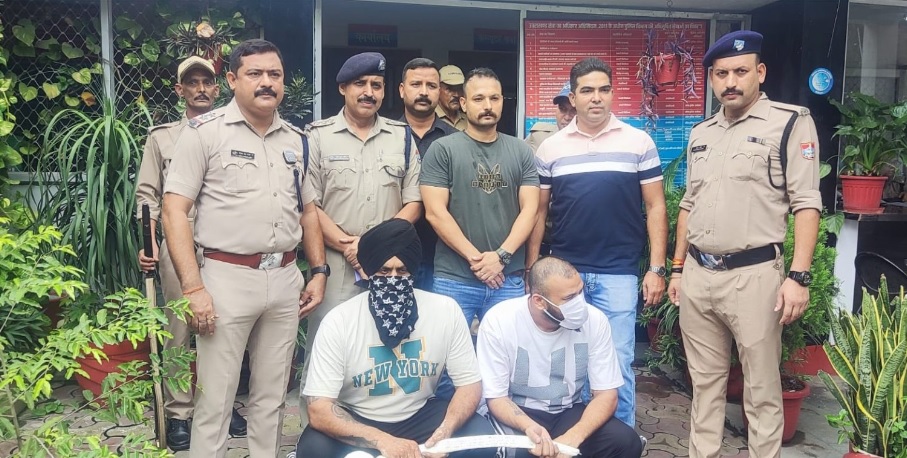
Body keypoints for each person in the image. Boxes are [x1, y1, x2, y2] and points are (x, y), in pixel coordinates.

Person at [161, 39, 327, 458]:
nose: (266, 82)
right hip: (225, 280)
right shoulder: (205, 133)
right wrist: (193, 288)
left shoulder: (298, 140)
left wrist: (318, 271)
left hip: (285, 280)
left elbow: (309, 211)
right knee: (215, 401)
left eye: (275, 74)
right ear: (233, 80)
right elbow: (174, 210)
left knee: (272, 399)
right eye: (255, 74)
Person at [667, 30, 821, 458]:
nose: (730, 82)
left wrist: (799, 277)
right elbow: (689, 204)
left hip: (754, 278)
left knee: (761, 390)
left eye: (740, 71)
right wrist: (677, 269)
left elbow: (807, 203)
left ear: (760, 72)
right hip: (698, 275)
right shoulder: (702, 132)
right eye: (721, 74)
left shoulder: (790, 122)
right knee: (704, 386)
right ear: (711, 79)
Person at [529, 57, 668, 429]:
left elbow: (656, 206)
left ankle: (620, 441)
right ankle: (575, 437)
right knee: (567, 363)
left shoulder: (638, 142)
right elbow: (539, 212)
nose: (596, 98)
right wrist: (532, 268)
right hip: (565, 275)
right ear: (572, 97)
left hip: (617, 273)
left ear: (612, 94)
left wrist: (657, 268)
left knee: (617, 362)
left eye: (604, 90)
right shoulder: (550, 148)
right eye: (587, 90)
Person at [297, 218, 495, 458]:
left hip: (420, 414)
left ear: (413, 271)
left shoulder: (445, 310)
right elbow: (319, 409)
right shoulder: (340, 321)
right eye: (384, 271)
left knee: (479, 438)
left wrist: (445, 431)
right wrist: (383, 441)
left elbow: (469, 385)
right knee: (314, 449)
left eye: (402, 271)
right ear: (370, 272)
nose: (393, 279)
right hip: (358, 417)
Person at [134, 55, 246, 451]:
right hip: (178, 245)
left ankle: (220, 405)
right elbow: (147, 196)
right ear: (179, 90)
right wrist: (149, 243)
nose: (200, 88)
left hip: (225, 246)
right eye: (192, 82)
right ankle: (179, 413)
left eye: (206, 82)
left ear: (218, 87)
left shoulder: (235, 133)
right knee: (179, 330)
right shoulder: (162, 137)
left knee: (225, 329)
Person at [301, 51, 422, 413]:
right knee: (326, 350)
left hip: (390, 268)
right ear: (343, 88)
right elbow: (309, 205)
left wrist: (375, 250)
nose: (369, 92)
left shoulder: (402, 137)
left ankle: (376, 427)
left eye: (377, 85)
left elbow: (414, 202)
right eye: (360, 84)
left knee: (384, 351)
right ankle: (316, 434)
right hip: (337, 265)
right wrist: (353, 247)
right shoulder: (317, 137)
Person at [476, 256, 643, 458]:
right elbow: (496, 398)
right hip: (516, 411)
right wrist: (529, 427)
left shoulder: (595, 320)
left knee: (625, 442)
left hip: (567, 411)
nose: (579, 303)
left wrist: (574, 437)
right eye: (569, 298)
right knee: (505, 452)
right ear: (539, 301)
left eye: (580, 292)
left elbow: (607, 394)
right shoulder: (499, 320)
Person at [420, 67, 540, 324]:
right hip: (454, 279)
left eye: (494, 98)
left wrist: (501, 257)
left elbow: (531, 210)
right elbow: (435, 213)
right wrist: (480, 262)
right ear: (464, 104)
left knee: (507, 349)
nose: (488, 106)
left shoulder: (521, 151)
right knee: (449, 349)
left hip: (507, 278)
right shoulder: (442, 150)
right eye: (478, 99)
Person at [398, 57, 458, 291]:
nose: (424, 92)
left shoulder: (456, 140)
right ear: (402, 90)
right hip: (396, 255)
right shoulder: (386, 136)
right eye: (416, 84)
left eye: (431, 86)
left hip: (445, 257)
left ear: (439, 91)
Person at [525, 82, 576, 154]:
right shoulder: (539, 136)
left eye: (574, 110)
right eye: (562, 109)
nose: (567, 117)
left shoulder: (591, 142)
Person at [436, 64, 467, 131]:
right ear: (438, 89)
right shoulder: (429, 119)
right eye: (450, 89)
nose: (456, 94)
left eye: (459, 89)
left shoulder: (469, 120)